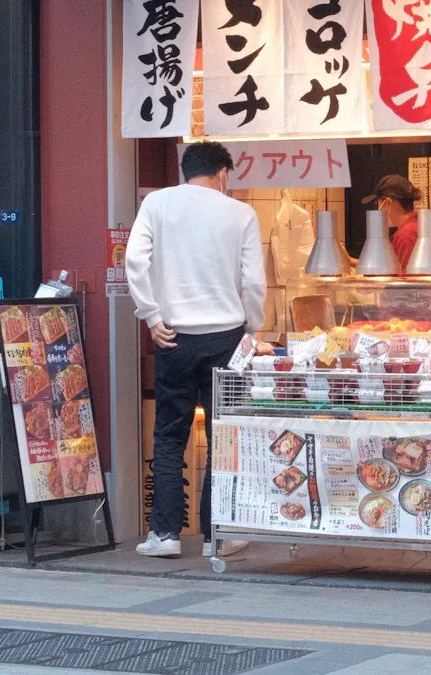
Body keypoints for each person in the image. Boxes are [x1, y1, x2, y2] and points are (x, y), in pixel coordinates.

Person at [126, 141, 267, 558]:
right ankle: (215, 536)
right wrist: (252, 327)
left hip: (173, 335)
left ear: (184, 170)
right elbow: (254, 280)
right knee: (222, 434)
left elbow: (135, 262)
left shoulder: (157, 203)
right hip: (226, 336)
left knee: (170, 435)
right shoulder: (240, 212)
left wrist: (151, 317)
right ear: (223, 174)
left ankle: (166, 535)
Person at [361, 175, 422, 271]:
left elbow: (408, 282)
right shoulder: (415, 227)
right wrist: (350, 261)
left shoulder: (406, 236)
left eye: (378, 204)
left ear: (388, 203)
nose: (378, 209)